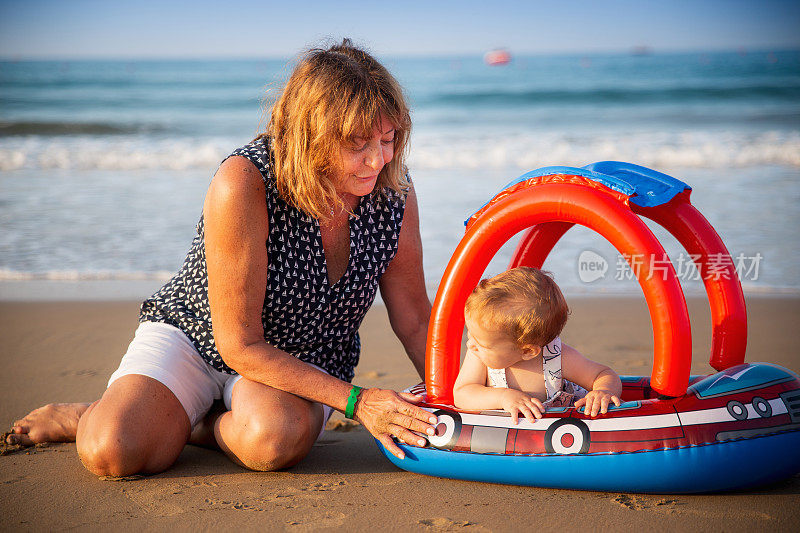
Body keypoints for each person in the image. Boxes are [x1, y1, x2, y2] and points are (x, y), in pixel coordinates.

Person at [6, 39, 437, 475]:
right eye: (357, 143)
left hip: (305, 357)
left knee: (273, 440)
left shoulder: (392, 190)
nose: (377, 159)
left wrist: (463, 400)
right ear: (312, 136)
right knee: (111, 451)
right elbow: (239, 345)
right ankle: (94, 414)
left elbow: (415, 317)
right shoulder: (246, 180)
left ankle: (190, 424)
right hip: (201, 337)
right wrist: (358, 401)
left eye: (388, 139)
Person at [453, 267, 622, 424]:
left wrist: (603, 391)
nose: (470, 344)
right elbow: (462, 394)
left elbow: (603, 373)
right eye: (471, 334)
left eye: (482, 343)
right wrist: (503, 397)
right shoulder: (478, 355)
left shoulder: (556, 357)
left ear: (527, 351)